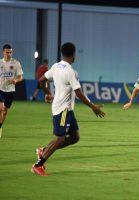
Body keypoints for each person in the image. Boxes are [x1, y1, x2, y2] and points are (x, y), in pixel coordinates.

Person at [31, 42, 105, 176]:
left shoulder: (55, 66)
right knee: (60, 138)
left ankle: (44, 150)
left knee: (75, 137)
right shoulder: (70, 71)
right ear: (74, 55)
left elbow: (41, 80)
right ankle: (38, 165)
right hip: (62, 110)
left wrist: (47, 93)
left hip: (68, 110)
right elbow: (79, 93)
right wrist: (93, 107)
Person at [0, 44, 24, 138]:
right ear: (3, 52)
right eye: (7, 52)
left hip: (10, 90)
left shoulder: (16, 63)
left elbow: (21, 77)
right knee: (1, 108)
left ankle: (0, 126)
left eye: (10, 52)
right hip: (0, 89)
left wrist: (16, 80)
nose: (9, 54)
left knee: (5, 111)